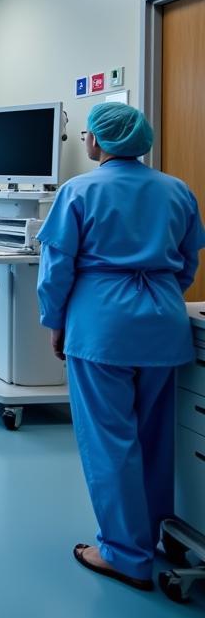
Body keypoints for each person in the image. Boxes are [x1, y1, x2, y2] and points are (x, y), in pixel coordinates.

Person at [37, 102, 205, 590]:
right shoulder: (177, 191)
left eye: (87, 134)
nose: (84, 140)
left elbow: (57, 271)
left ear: (98, 141)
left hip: (101, 325)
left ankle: (124, 554)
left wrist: (56, 323)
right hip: (164, 324)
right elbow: (187, 264)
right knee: (155, 438)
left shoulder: (79, 191)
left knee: (111, 442)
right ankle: (150, 534)